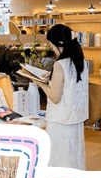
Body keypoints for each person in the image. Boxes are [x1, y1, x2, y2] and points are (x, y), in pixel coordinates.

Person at [33, 24, 89, 170]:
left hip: (60, 120)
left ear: (59, 43)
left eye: (51, 43)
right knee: (73, 157)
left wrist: (40, 83)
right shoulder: (80, 62)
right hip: (75, 118)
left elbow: (55, 97)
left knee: (59, 159)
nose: (51, 47)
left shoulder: (60, 65)